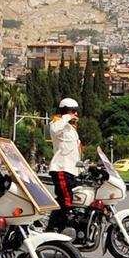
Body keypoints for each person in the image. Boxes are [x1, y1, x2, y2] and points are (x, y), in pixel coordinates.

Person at [46, 97, 81, 232]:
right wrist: (67, 116)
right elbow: (54, 130)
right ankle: (55, 228)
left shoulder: (71, 129)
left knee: (66, 200)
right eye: (74, 111)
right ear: (66, 111)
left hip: (71, 170)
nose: (76, 114)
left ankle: (59, 226)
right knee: (66, 201)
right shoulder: (57, 123)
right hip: (61, 169)